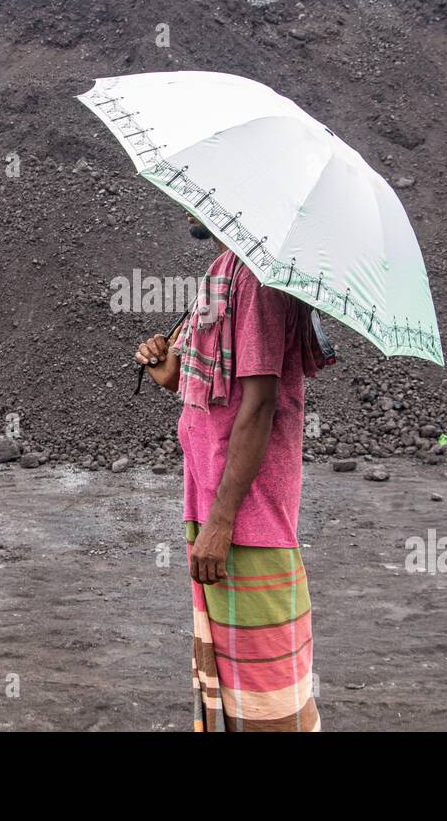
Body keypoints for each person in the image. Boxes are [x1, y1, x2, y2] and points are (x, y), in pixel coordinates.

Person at [135, 213, 321, 732]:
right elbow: (216, 388)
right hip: (213, 501)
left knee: (267, 693)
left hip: (244, 518)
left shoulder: (259, 284)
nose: (192, 205)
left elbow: (260, 405)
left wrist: (220, 525)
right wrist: (168, 372)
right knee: (232, 682)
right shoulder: (226, 270)